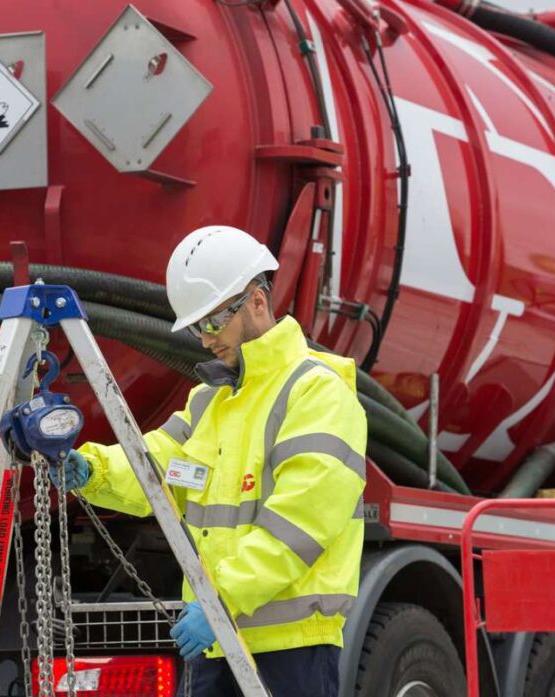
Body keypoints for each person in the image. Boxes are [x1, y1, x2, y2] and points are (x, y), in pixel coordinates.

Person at [52, 225, 367, 696]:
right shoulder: (210, 403)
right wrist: (93, 471)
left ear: (257, 302)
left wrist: (220, 598)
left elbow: (301, 521)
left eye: (213, 322)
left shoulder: (316, 392)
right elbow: (158, 467)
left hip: (290, 649)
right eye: (198, 327)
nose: (205, 340)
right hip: (218, 640)